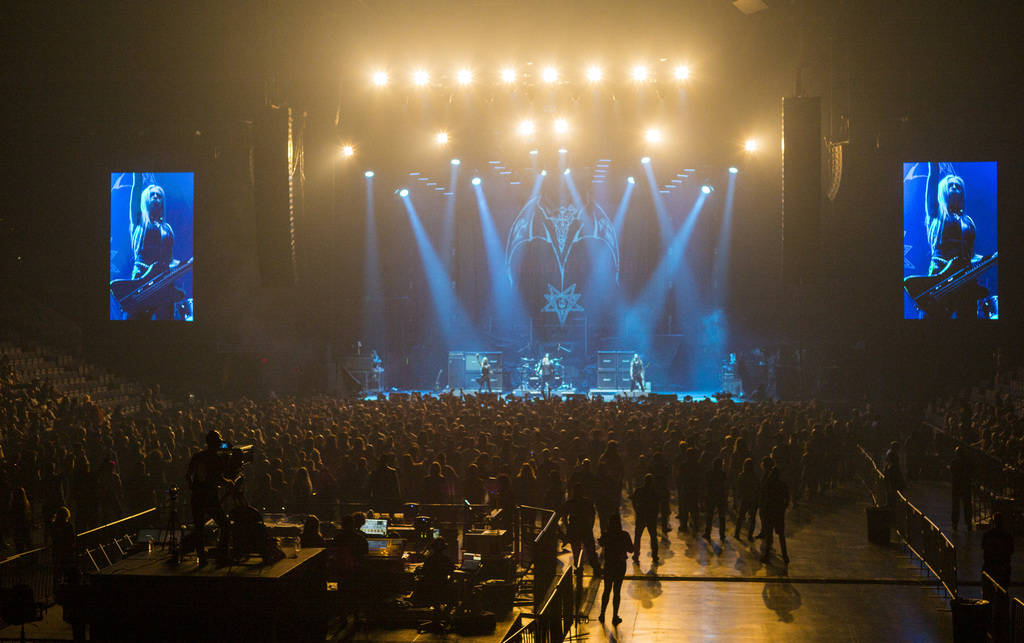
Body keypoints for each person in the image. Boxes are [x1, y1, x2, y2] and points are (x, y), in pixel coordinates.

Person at [922, 162, 987, 318]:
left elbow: (971, 254)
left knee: (967, 319)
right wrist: (934, 166)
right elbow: (933, 178)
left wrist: (983, 260)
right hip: (941, 274)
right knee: (936, 319)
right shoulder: (936, 212)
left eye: (958, 186)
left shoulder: (969, 221)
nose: (955, 188)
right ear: (943, 190)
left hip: (965, 278)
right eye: (951, 185)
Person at [127, 172, 179, 320]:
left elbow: (170, 259)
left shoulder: (167, 228)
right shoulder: (139, 219)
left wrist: (179, 265)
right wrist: (137, 175)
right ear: (146, 200)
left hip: (164, 281)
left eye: (159, 195)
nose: (156, 197)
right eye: (153, 195)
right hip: (141, 277)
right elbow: (136, 187)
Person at [186, 430, 231, 564]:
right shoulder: (216, 459)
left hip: (197, 497)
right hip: (210, 498)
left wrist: (194, 489)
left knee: (199, 526)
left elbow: (188, 476)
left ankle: (201, 556)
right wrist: (229, 482)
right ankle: (222, 552)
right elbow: (219, 479)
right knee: (225, 525)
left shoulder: (197, 456)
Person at [598, 513, 634, 625]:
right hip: (620, 565)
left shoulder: (606, 534)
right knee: (617, 591)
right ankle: (614, 616)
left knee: (606, 590)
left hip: (609, 564)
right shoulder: (624, 535)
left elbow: (601, 543)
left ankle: (602, 614)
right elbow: (631, 550)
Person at [559, 483, 600, 576]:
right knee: (589, 548)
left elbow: (564, 516)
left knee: (576, 549)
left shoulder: (570, 503)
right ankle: (595, 567)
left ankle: (579, 567)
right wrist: (591, 525)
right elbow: (592, 515)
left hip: (575, 527)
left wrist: (567, 526)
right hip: (585, 527)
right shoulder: (588, 502)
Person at [760, 466, 790, 564]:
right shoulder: (782, 485)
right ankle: (785, 556)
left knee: (769, 535)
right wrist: (784, 507)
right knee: (781, 535)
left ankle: (767, 556)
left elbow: (763, 497)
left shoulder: (768, 484)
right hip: (779, 512)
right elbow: (787, 497)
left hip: (769, 511)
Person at [631, 473, 659, 564]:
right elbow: (657, 505)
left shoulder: (639, 491)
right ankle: (654, 556)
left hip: (641, 516)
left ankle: (636, 555)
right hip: (651, 517)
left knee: (638, 537)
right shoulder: (654, 492)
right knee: (653, 537)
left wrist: (637, 511)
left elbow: (634, 501)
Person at [982, 512, 1013, 589]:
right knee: (1003, 589)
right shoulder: (1007, 535)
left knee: (988, 589)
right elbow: (1011, 550)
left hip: (990, 566)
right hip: (1003, 566)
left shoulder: (987, 534)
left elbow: (983, 547)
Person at [950, 446, 973, 531]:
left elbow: (952, 473)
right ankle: (968, 523)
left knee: (956, 506)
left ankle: (955, 523)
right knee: (967, 505)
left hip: (956, 486)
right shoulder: (968, 463)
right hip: (965, 486)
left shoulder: (954, 462)